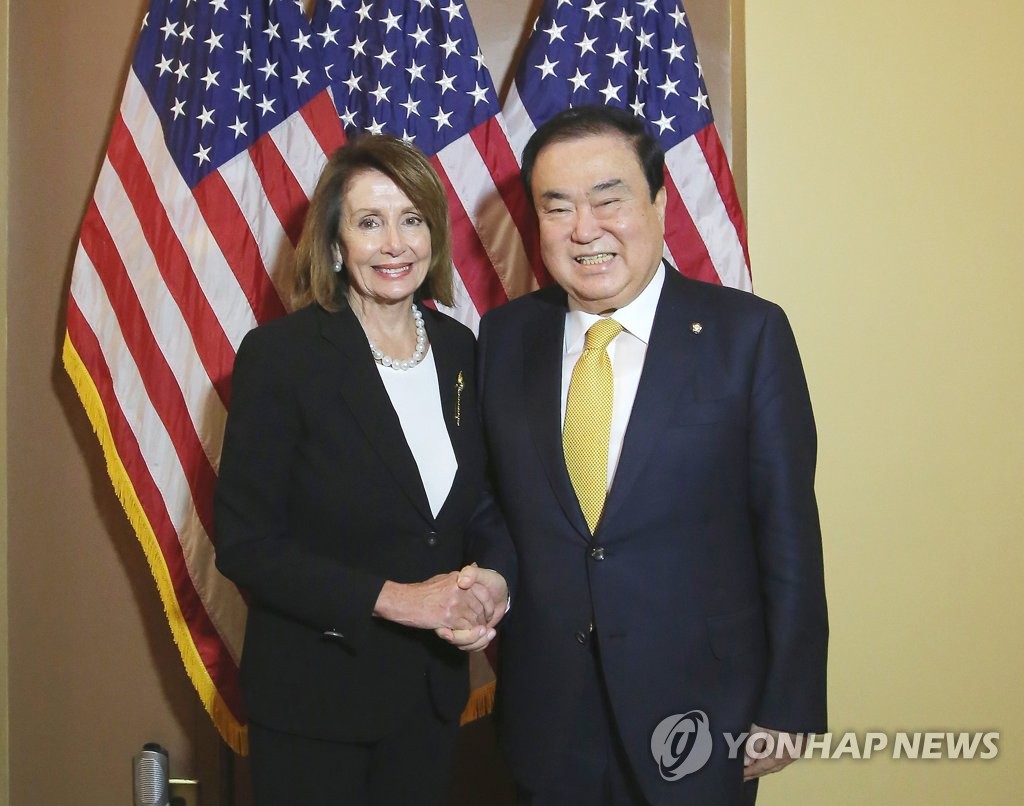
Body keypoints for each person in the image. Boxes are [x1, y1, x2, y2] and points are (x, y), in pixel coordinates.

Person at [475, 105, 828, 805]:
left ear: (660, 203)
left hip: (701, 710)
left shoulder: (748, 336)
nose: (584, 229)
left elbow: (788, 530)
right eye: (557, 207)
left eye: (609, 200)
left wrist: (789, 703)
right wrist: (492, 579)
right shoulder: (505, 337)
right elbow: (493, 503)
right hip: (549, 715)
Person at [214, 135, 511, 806]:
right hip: (317, 702)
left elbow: (478, 504)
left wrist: (493, 580)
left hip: (429, 699)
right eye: (370, 222)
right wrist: (400, 599)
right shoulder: (281, 358)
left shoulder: (461, 350)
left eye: (412, 219)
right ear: (334, 242)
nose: (394, 244)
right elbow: (247, 544)